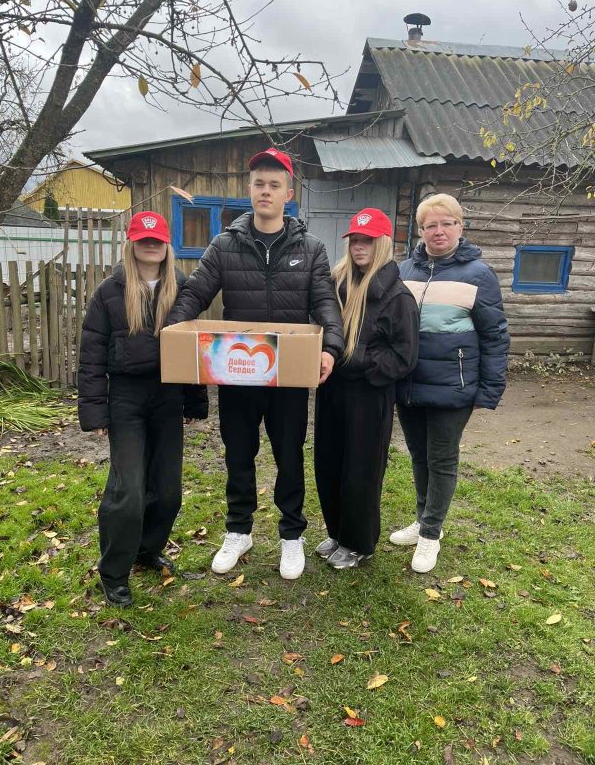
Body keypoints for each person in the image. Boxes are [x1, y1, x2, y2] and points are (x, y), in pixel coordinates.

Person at [166, 148, 344, 580]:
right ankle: (238, 530)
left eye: (274, 185)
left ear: (288, 193)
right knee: (238, 455)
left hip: (288, 377)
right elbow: (195, 293)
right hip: (237, 373)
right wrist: (173, 331)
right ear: (250, 190)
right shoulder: (224, 245)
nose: (266, 191)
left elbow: (325, 302)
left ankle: (291, 535)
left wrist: (330, 347)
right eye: (259, 184)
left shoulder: (311, 248)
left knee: (289, 457)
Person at [78, 211, 208, 607]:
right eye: (142, 239)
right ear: (131, 244)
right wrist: (95, 411)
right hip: (126, 398)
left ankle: (147, 550)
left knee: (167, 492)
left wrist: (194, 400)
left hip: (168, 396)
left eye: (157, 239)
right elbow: (91, 353)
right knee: (128, 491)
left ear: (166, 245)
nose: (150, 245)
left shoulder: (182, 289)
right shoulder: (110, 291)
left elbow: (193, 346)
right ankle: (114, 571)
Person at [392, 194, 509, 573]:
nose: (438, 231)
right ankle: (423, 519)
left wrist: (489, 390)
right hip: (409, 384)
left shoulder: (478, 274)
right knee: (419, 456)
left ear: (460, 226)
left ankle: (431, 534)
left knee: (441, 460)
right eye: (430, 225)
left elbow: (495, 335)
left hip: (453, 386)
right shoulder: (404, 270)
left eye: (446, 223)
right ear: (420, 230)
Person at [314, 209, 419, 568]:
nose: (359, 247)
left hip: (369, 394)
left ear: (383, 244)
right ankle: (337, 532)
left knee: (361, 469)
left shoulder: (398, 297)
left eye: (368, 241)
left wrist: (363, 363)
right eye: (355, 240)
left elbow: (404, 355)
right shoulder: (338, 284)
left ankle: (359, 542)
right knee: (329, 462)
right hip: (332, 388)